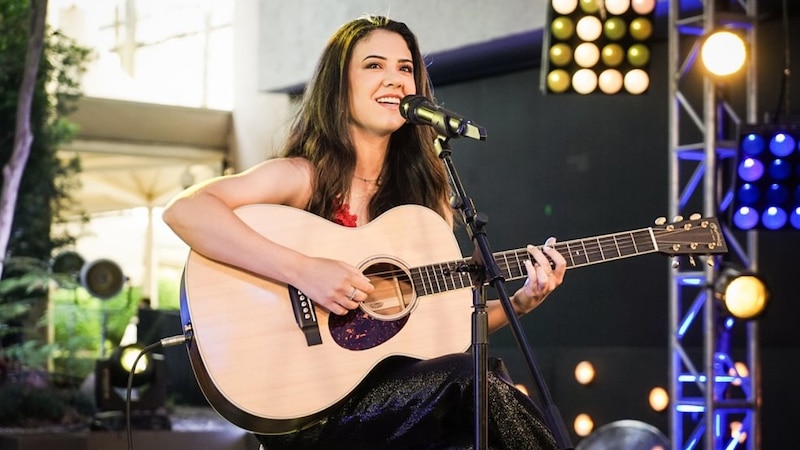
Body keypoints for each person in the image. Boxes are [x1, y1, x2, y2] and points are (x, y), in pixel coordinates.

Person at [163, 14, 567, 450]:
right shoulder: (301, 177)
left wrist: (522, 300)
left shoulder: (422, 203)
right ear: (340, 86)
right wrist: (304, 271)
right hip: (308, 411)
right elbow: (185, 211)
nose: (394, 79)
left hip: (398, 404)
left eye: (405, 68)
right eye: (374, 66)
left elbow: (447, 331)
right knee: (474, 382)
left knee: (482, 382)